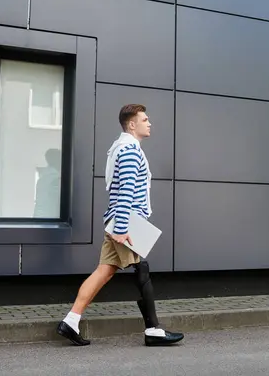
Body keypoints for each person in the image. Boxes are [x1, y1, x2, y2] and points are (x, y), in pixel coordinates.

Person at [56, 104, 184, 347]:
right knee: (141, 271)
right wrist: (123, 228)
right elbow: (126, 192)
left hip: (118, 219)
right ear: (132, 124)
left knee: (104, 270)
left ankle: (70, 321)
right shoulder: (130, 151)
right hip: (127, 221)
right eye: (145, 119)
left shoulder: (120, 147)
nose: (150, 123)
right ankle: (153, 330)